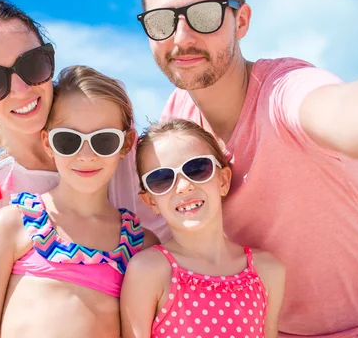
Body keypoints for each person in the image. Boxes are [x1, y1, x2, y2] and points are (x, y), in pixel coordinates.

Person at [137, 0, 358, 336]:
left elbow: (351, 110)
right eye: (161, 20)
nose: (181, 37)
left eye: (204, 14)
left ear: (241, 21)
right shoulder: (178, 120)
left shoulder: (285, 91)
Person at [0, 0, 168, 337]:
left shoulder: (114, 142)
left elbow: (165, 244)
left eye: (31, 65)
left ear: (48, 59)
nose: (20, 90)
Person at [0, 65, 159, 338]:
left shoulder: (141, 245)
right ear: (48, 143)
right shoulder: (13, 224)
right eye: (68, 140)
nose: (86, 155)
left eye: (103, 140)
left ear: (126, 145)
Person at [121, 118, 285, 338]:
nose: (183, 186)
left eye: (197, 169)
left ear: (223, 180)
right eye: (161, 179)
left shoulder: (268, 271)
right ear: (151, 202)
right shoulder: (149, 271)